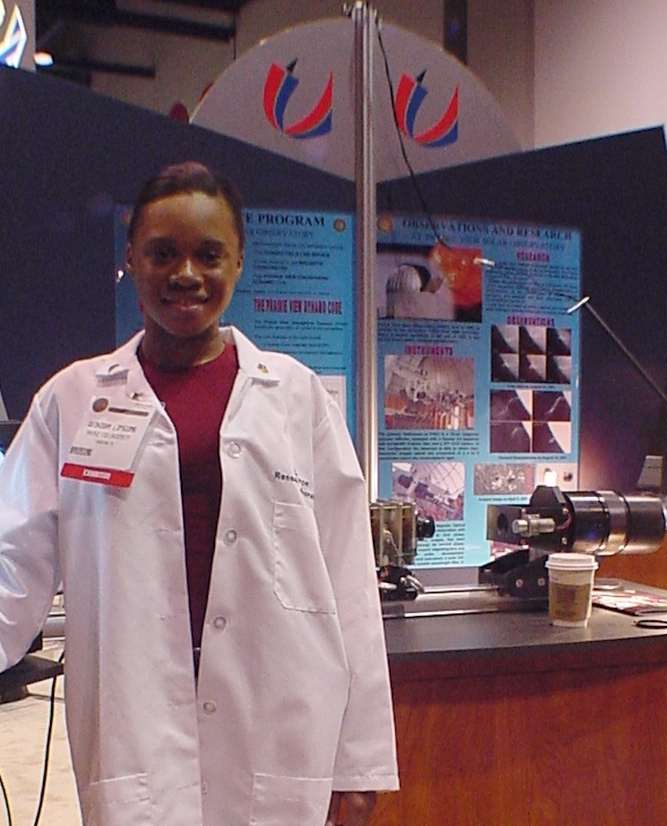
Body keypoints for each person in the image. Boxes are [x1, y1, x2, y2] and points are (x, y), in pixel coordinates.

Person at [0, 162, 398, 826]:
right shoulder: (72, 400)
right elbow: (14, 562)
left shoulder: (295, 396)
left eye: (208, 254)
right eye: (163, 253)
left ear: (238, 262)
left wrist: (359, 761)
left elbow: (348, 581)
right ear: (130, 260)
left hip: (277, 716)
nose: (186, 273)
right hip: (137, 719)